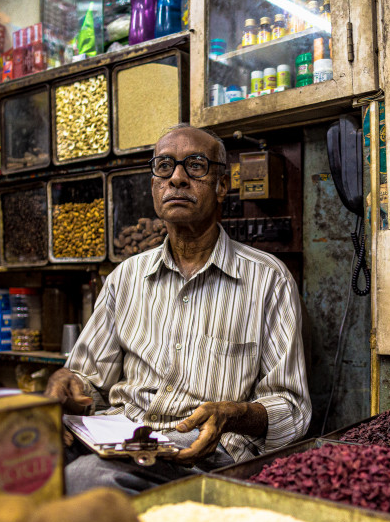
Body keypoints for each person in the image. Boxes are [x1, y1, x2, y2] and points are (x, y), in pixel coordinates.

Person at [45, 123, 311, 494]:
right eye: (164, 166)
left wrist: (232, 414)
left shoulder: (268, 280)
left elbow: (293, 410)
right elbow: (87, 382)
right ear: (154, 185)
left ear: (222, 185)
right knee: (21, 453)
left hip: (203, 454)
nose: (177, 178)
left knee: (88, 479)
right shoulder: (127, 277)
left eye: (196, 166)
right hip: (118, 435)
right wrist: (66, 383)